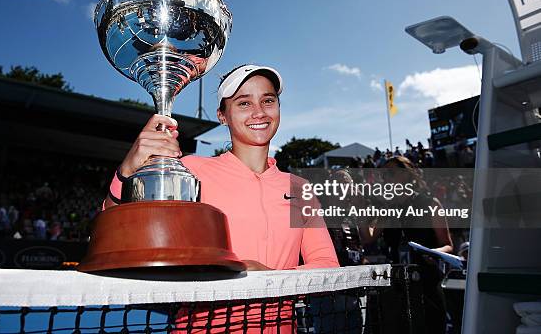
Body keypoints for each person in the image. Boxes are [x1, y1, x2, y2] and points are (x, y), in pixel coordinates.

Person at [105, 64, 339, 332]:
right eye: (243, 103)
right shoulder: (190, 169)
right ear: (222, 116)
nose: (259, 112)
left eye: (268, 100)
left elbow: (327, 266)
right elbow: (115, 237)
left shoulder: (300, 187)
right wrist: (126, 171)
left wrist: (273, 280)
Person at [361, 156, 453, 334]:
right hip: (396, 284)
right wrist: (359, 210)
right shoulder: (388, 209)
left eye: (390, 173)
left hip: (425, 281)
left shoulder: (430, 204)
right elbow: (368, 237)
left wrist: (434, 252)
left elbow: (447, 244)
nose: (385, 178)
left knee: (429, 327)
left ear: (406, 174)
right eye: (383, 175)